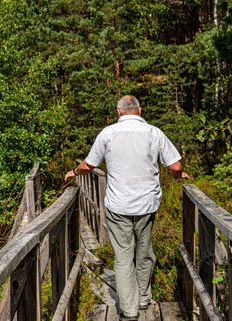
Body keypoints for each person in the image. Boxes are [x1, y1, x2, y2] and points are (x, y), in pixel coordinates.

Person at [65, 95, 189, 320]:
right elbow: (175, 165)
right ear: (139, 111)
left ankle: (129, 310)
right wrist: (179, 175)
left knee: (123, 257)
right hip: (147, 205)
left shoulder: (108, 133)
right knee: (145, 251)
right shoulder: (154, 133)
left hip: (118, 205)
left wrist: (74, 172)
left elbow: (88, 165)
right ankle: (143, 298)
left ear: (119, 112)